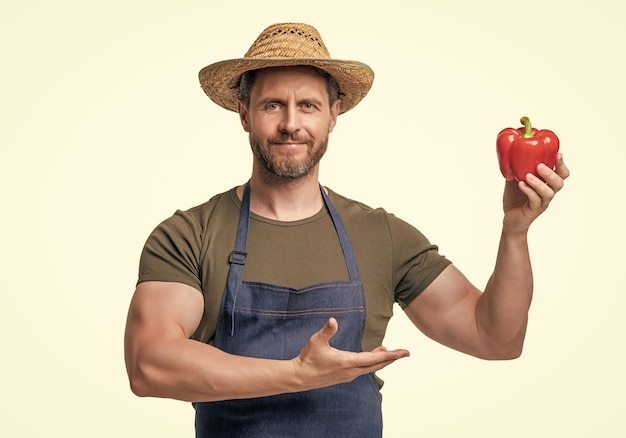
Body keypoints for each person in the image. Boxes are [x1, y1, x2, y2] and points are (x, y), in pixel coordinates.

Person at [124, 22, 569, 437]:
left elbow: (496, 338)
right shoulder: (189, 234)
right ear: (244, 113)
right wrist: (296, 374)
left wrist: (515, 231)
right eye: (273, 104)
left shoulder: (381, 235)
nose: (291, 123)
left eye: (309, 105)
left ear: (334, 114)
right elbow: (149, 365)